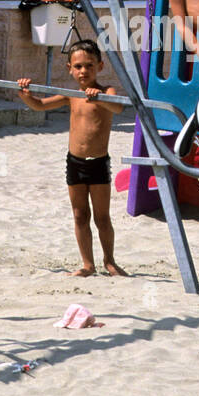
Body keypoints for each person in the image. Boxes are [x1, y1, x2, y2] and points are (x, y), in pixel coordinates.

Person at [17, 40, 126, 278]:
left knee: (102, 217)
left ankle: (110, 261)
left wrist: (99, 98)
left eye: (89, 65)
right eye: (78, 66)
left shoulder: (107, 92)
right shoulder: (70, 95)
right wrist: (26, 95)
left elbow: (118, 109)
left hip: (98, 164)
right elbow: (39, 105)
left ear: (100, 66)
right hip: (75, 163)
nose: (83, 71)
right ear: (69, 68)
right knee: (79, 215)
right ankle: (88, 264)